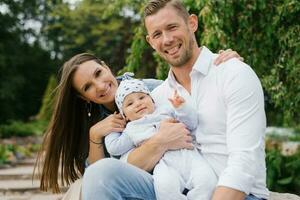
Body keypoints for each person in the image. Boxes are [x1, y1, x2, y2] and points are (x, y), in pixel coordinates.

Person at [35, 49, 240, 198]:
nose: (100, 86)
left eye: (98, 73)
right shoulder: (95, 122)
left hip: (185, 168)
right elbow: (99, 182)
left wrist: (222, 70)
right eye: (88, 87)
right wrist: (94, 136)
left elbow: (190, 97)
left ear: (106, 66)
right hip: (147, 183)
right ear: (84, 98)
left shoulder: (148, 90)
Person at [141, 0, 269, 200]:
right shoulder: (157, 97)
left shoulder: (233, 73)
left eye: (172, 27)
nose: (166, 40)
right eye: (157, 34)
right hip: (183, 191)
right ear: (150, 42)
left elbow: (244, 162)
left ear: (192, 23)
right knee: (106, 173)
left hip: (240, 194)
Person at [105, 78, 217, 200]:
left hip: (189, 155)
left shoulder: (166, 110)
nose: (138, 103)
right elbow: (114, 148)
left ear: (152, 100)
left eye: (142, 97)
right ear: (125, 115)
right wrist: (112, 126)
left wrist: (181, 108)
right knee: (165, 189)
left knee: (208, 181)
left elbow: (191, 123)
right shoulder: (131, 129)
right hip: (163, 164)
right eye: (130, 103)